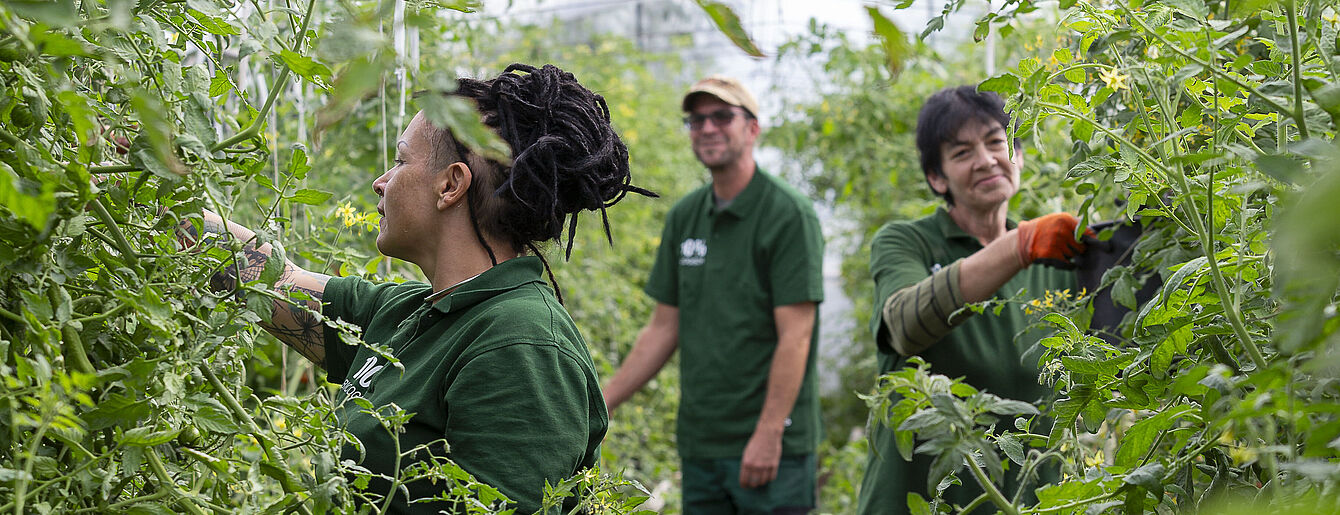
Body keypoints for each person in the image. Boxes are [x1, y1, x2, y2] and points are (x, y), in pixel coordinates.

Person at [187, 64, 651, 513]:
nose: (380, 182)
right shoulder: (414, 317)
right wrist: (155, 181)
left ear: (450, 185)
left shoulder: (520, 345)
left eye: (401, 160)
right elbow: (272, 280)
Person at [855, 85, 1085, 514]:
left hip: (1029, 503)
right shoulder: (908, 243)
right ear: (936, 178)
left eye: (997, 142)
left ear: (1018, 155)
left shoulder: (1054, 260)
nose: (985, 160)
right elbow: (904, 325)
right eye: (961, 153)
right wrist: (1020, 245)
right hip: (920, 505)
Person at [602, 76, 825, 514]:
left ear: (753, 129)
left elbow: (796, 336)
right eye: (696, 120)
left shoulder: (787, 215)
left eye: (722, 116)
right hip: (702, 445)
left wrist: (768, 433)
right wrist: (600, 403)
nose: (707, 128)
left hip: (772, 448)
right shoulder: (686, 217)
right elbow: (663, 328)